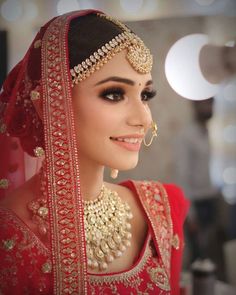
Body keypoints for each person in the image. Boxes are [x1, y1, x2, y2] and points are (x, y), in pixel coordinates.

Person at [0, 10, 189, 294]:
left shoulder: (162, 210)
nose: (144, 118)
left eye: (145, 95)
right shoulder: (7, 238)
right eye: (114, 94)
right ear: (50, 105)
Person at [174, 98, 222, 266]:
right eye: (206, 103)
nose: (210, 107)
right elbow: (183, 176)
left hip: (210, 200)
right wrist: (190, 214)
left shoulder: (207, 131)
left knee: (212, 256)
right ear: (194, 106)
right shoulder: (186, 136)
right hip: (197, 205)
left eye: (212, 103)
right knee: (198, 259)